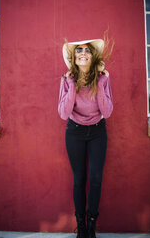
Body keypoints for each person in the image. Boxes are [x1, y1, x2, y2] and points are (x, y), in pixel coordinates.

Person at [58, 37, 114, 238]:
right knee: (79, 179)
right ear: (74, 58)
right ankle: (80, 227)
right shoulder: (66, 81)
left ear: (93, 57)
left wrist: (100, 81)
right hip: (75, 132)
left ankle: (91, 225)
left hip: (98, 131)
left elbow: (107, 112)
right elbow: (64, 114)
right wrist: (72, 83)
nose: (83, 52)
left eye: (87, 50)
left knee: (96, 179)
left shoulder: (103, 79)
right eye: (79, 50)